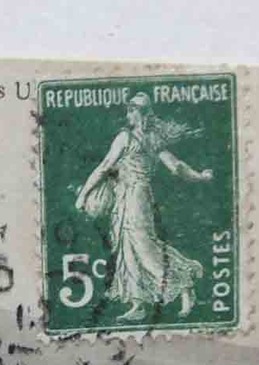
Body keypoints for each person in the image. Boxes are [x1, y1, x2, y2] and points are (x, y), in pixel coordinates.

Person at [74, 92, 215, 323]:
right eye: (128, 110)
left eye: (132, 110)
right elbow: (176, 167)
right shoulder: (153, 140)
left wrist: (83, 194)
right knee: (127, 247)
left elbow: (104, 166)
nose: (128, 114)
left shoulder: (126, 138)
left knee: (143, 246)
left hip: (135, 197)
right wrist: (200, 177)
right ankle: (138, 303)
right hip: (130, 196)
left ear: (141, 114)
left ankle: (184, 284)